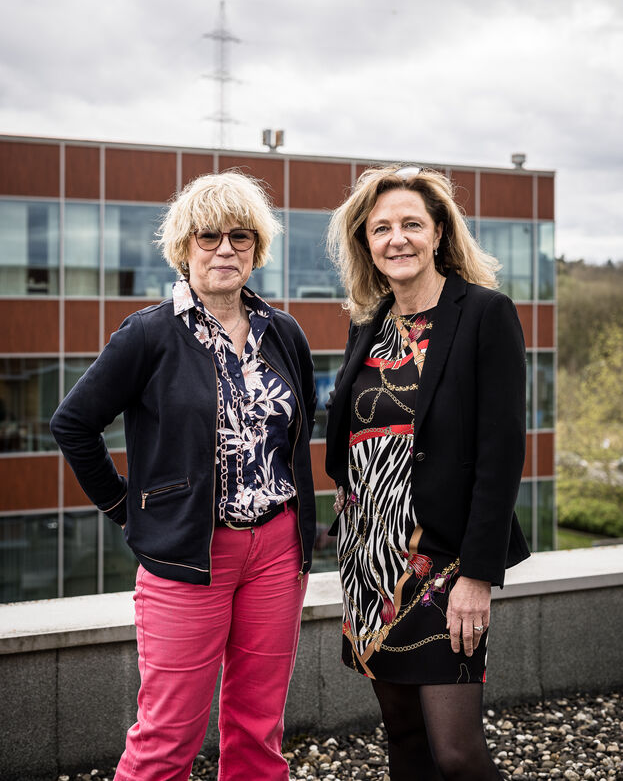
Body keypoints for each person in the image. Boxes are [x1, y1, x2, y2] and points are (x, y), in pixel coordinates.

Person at [51, 171, 317, 781]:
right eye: (208, 236)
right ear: (184, 246)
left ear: (256, 248)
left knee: (259, 731)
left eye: (240, 236)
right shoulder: (148, 333)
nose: (225, 249)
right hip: (188, 554)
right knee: (168, 736)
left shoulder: (285, 333)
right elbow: (73, 424)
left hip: (278, 550)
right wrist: (127, 509)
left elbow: (298, 432)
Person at [324, 165, 529, 781]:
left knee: (457, 753)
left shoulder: (485, 314)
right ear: (367, 244)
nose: (397, 239)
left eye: (412, 224)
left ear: (439, 232)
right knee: (405, 738)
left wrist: (478, 576)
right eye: (381, 228)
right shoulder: (368, 325)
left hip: (444, 566)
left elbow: (501, 455)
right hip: (371, 566)